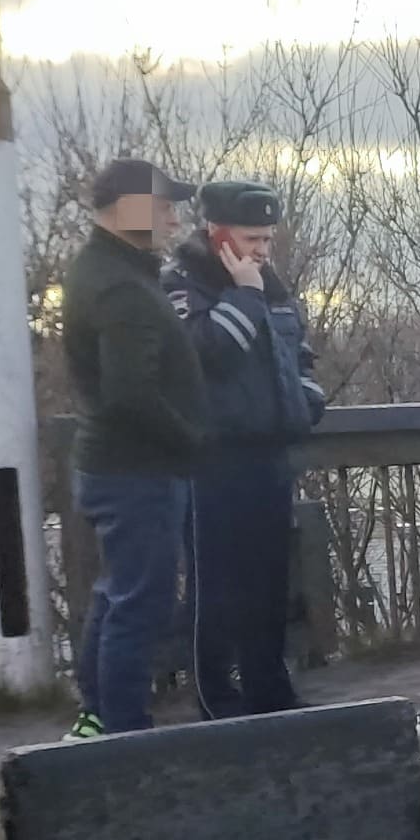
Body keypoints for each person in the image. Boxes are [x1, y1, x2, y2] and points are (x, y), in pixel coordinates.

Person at [164, 180, 328, 718]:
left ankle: (270, 690)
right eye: (251, 238)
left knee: (268, 583)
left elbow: (298, 359)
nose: (261, 249)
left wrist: (305, 406)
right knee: (216, 587)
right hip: (211, 458)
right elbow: (206, 356)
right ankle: (217, 696)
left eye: (267, 239)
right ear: (216, 232)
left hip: (268, 454)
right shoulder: (181, 285)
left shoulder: (272, 286)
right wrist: (244, 295)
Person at [60, 158, 205, 738]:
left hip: (117, 465)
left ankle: (97, 715)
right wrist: (192, 438)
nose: (173, 216)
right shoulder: (120, 287)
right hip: (136, 469)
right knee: (140, 603)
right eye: (162, 204)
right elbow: (129, 394)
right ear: (126, 209)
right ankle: (124, 732)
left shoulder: (109, 269)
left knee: (118, 592)